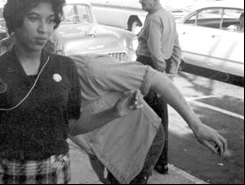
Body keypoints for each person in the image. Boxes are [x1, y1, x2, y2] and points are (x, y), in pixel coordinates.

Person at [0, 0, 145, 184]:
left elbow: (71, 127)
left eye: (50, 20)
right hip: (6, 176)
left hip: (55, 175)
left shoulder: (65, 68)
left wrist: (114, 112)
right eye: (34, 18)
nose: (44, 29)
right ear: (15, 20)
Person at [68, 54, 227, 184]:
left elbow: (156, 79)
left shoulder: (91, 70)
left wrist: (197, 125)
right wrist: (98, 164)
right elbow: (75, 133)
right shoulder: (48, 92)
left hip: (143, 139)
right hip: (110, 148)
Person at [135, 0, 182, 175]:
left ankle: (146, 163)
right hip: (159, 72)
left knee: (144, 119)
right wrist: (171, 73)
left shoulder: (153, 19)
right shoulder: (168, 16)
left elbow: (155, 54)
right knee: (161, 117)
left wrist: (160, 75)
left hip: (148, 71)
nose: (140, 0)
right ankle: (161, 162)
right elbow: (177, 49)